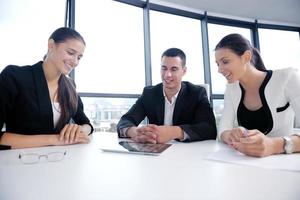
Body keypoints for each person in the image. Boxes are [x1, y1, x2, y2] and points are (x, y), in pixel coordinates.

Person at [0, 27, 93, 149]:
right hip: (20, 161)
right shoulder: (14, 76)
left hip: (61, 160)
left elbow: (86, 124)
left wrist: (79, 130)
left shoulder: (69, 86)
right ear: (51, 45)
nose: (75, 62)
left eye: (79, 57)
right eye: (70, 53)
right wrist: (55, 139)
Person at [215, 33, 300, 157]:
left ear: (246, 57)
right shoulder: (231, 89)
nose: (219, 69)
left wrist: (272, 145)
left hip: (284, 165)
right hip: (246, 164)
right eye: (218, 64)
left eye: (225, 62)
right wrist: (231, 135)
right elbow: (223, 130)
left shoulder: (287, 78)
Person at [117, 48, 217, 143]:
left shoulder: (197, 93)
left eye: (174, 69)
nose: (167, 75)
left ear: (184, 71)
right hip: (156, 153)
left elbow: (209, 129)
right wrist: (134, 132)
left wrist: (174, 132)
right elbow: (125, 121)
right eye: (164, 68)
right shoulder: (149, 94)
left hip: (187, 154)